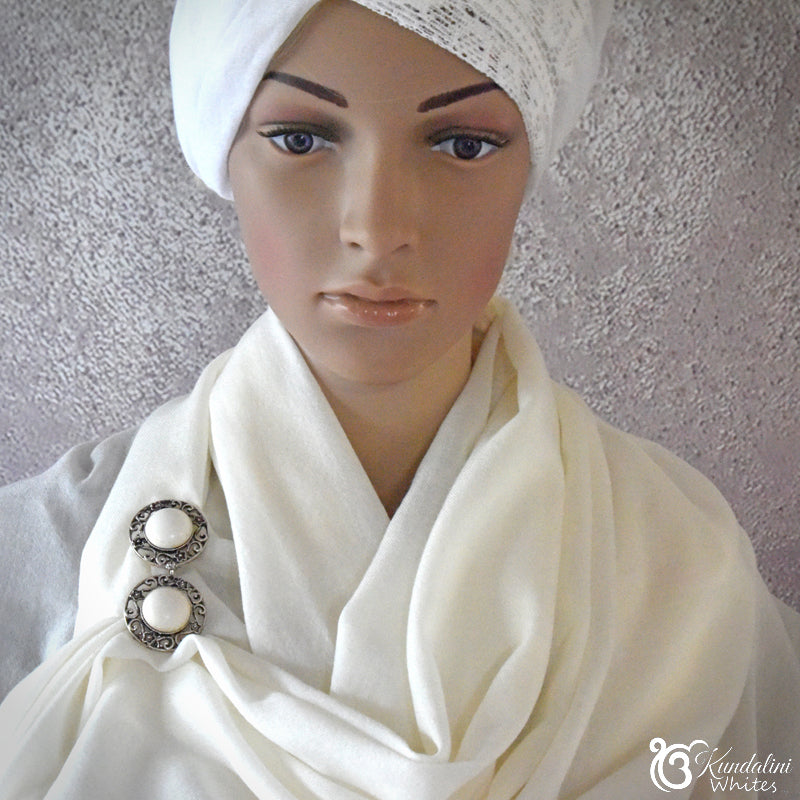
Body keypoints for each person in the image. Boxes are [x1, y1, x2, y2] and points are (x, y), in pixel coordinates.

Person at [0, 1, 798, 798]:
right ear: (223, 154)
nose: (377, 229)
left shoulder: (684, 579)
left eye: (462, 143)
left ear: (530, 163)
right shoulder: (45, 558)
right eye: (301, 139)